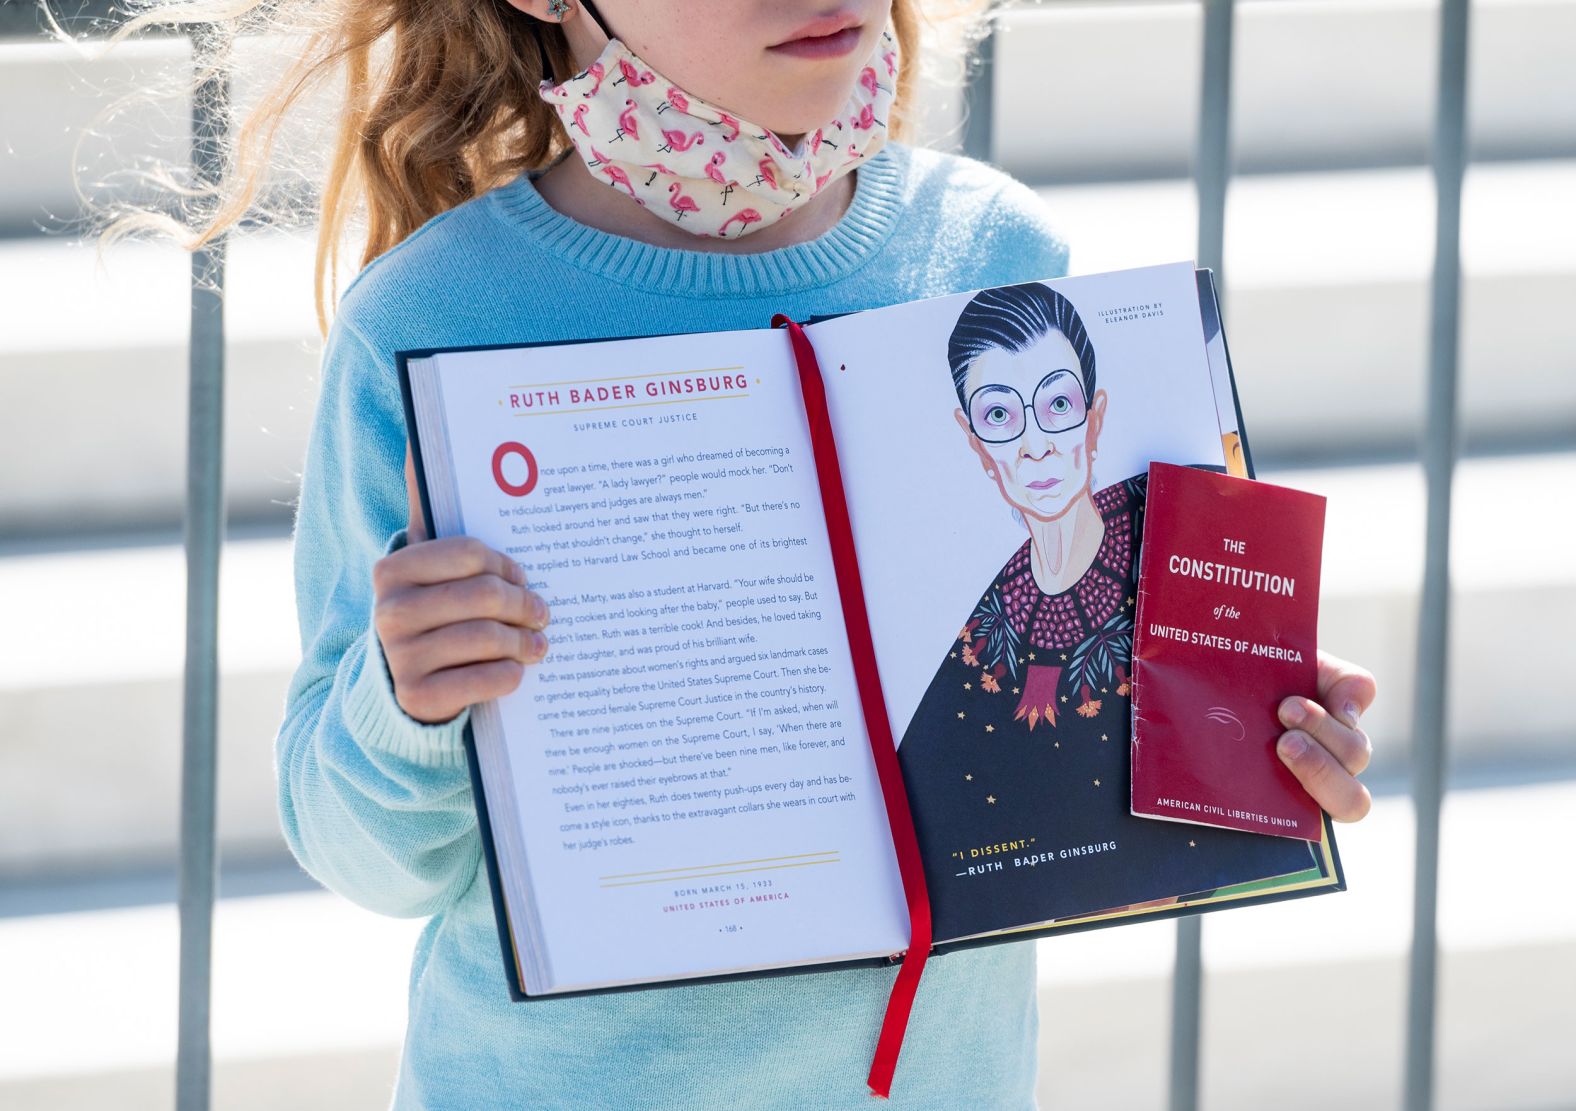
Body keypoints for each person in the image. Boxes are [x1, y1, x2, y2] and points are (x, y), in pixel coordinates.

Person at [113, 0, 1377, 1105]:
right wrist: (405, 701)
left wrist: (1237, 717)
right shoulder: (432, 320)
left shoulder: (998, 258)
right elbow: (365, 857)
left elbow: (1054, 712)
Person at [896, 282, 1332, 943]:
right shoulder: (976, 620)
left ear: (1096, 416)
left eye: (1058, 404)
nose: (1035, 444)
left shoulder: (1172, 519)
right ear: (973, 439)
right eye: (999, 416)